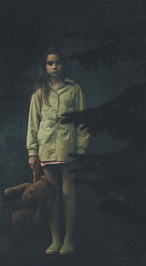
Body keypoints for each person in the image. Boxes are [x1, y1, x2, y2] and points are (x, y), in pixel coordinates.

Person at [26, 47, 90, 255]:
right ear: (44, 67)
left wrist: (82, 148)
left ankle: (69, 239)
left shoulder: (74, 89)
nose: (54, 67)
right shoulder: (39, 92)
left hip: (68, 146)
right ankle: (55, 239)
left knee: (68, 192)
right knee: (51, 195)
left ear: (64, 65)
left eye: (58, 62)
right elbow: (33, 124)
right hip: (46, 148)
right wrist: (32, 152)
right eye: (50, 63)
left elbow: (83, 121)